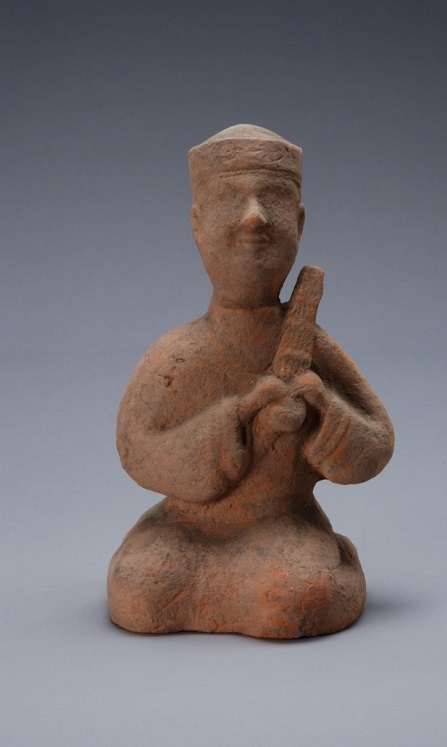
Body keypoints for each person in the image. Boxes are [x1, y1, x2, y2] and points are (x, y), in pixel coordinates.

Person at [107, 125, 394, 638]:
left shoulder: (310, 345)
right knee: (139, 587)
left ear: (298, 222)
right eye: (229, 200)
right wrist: (236, 416)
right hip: (186, 527)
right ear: (197, 225)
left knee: (291, 599)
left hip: (284, 523)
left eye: (274, 199)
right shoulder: (178, 353)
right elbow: (137, 447)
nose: (255, 217)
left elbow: (376, 440)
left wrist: (323, 407)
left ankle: (324, 562)